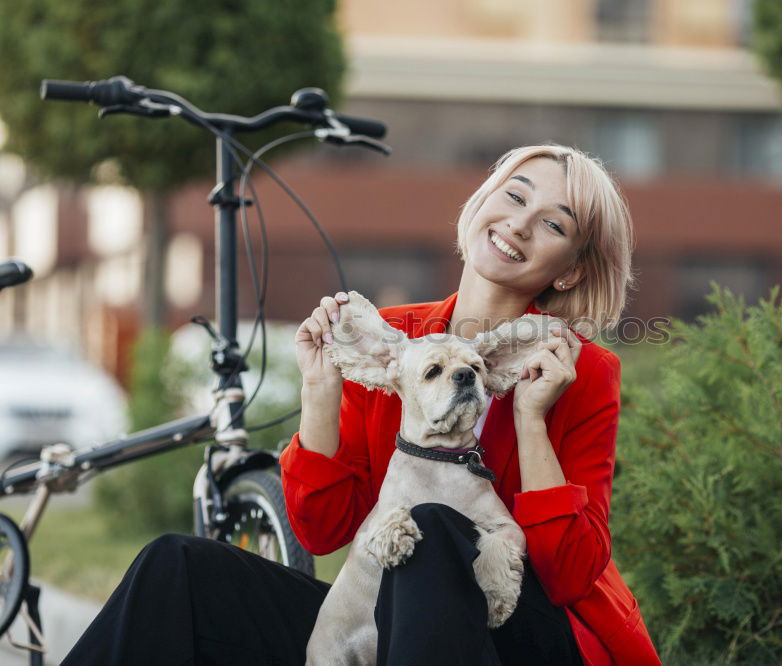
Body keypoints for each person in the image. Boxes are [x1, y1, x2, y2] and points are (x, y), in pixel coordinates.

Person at [64, 145, 660, 665]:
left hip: (524, 638)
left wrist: (531, 418)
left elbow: (568, 574)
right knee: (179, 568)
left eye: (554, 225)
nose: (520, 224)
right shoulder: (394, 341)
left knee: (432, 530)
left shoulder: (581, 371)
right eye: (513, 195)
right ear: (481, 203)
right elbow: (323, 532)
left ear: (571, 271)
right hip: (392, 626)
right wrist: (320, 391)